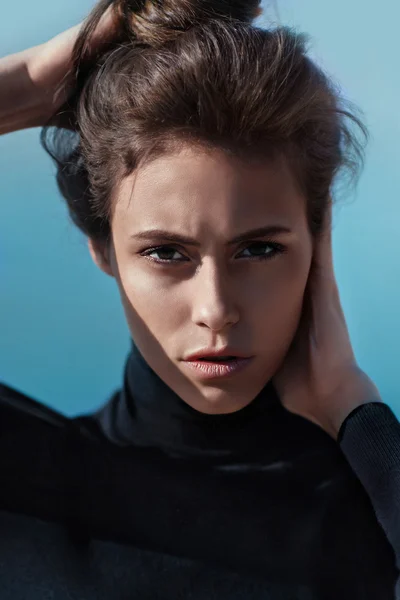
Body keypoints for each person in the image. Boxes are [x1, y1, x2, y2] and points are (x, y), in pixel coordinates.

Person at [1, 1, 399, 598]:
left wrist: (354, 408)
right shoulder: (19, 481)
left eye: (258, 250)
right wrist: (33, 83)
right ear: (102, 247)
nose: (215, 309)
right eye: (167, 253)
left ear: (320, 240)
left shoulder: (375, 497)